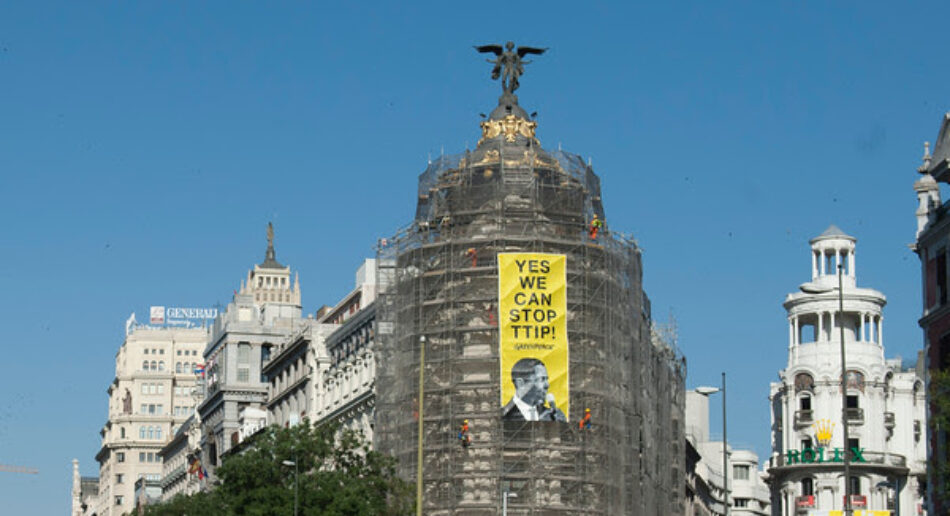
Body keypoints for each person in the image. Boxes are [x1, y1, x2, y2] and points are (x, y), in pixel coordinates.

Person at [502, 358, 567, 422]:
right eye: (541, 379)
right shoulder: (502, 416)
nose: (547, 385)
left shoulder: (553, 416)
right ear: (520, 384)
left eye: (547, 379)